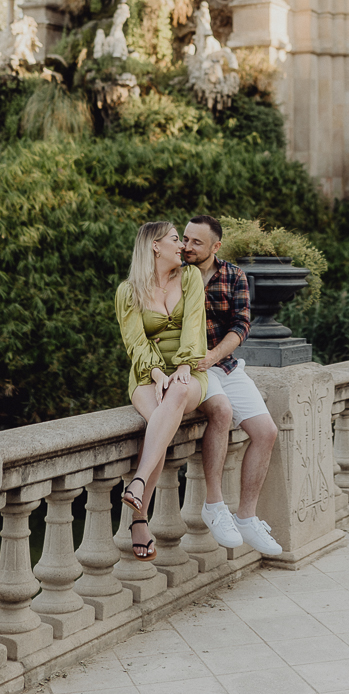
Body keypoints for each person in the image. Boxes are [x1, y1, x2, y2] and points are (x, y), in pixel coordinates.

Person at [182, 215, 282, 556]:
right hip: (191, 367)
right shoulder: (175, 272)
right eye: (185, 239)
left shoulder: (233, 275)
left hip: (223, 362)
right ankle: (214, 505)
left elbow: (241, 325)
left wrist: (214, 356)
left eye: (197, 242)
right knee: (221, 412)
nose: (188, 247)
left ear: (215, 246)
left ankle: (247, 517)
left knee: (267, 431)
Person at [115, 221, 208, 561]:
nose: (181, 245)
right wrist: (156, 373)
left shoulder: (191, 279)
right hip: (145, 374)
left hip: (189, 371)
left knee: (179, 393)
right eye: (174, 239)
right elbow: (134, 342)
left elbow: (195, 327)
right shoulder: (128, 291)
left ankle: (137, 487)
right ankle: (139, 516)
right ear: (155, 246)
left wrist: (183, 366)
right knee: (161, 424)